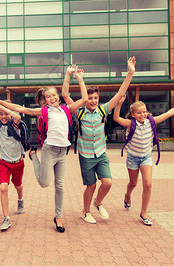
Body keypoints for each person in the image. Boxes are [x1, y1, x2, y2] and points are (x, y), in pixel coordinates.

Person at [0, 67, 88, 233]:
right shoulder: (44, 111)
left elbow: (84, 99)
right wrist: (1, 103)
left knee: (60, 186)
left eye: (54, 95)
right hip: (49, 151)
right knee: (44, 183)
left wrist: (76, 77)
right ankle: (34, 157)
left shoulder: (66, 109)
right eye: (48, 97)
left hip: (62, 152)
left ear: (58, 97)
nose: (51, 98)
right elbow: (20, 108)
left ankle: (58, 216)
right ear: (44, 100)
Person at [61, 57, 136, 224]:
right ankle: (85, 211)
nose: (93, 100)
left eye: (95, 97)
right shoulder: (79, 112)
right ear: (85, 98)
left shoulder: (103, 110)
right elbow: (65, 95)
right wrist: (69, 75)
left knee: (107, 182)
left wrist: (130, 72)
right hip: (86, 155)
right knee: (91, 185)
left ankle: (98, 203)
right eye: (90, 98)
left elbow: (120, 93)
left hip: (101, 153)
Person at [113, 94, 174, 226]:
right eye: (139, 113)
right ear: (133, 114)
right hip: (132, 157)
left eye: (144, 112)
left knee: (148, 184)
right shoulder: (130, 124)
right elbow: (116, 118)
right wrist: (119, 103)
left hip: (146, 156)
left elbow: (169, 113)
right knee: (133, 183)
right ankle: (128, 196)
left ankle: (143, 213)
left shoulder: (151, 122)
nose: (142, 114)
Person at [0, 84, 26, 231]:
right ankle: (6, 218)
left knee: (18, 185)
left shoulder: (15, 124)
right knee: (3, 188)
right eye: (0, 114)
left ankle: (20, 200)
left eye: (5, 114)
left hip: (18, 163)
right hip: (5, 163)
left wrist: (3, 106)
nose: (3, 116)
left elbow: (17, 116)